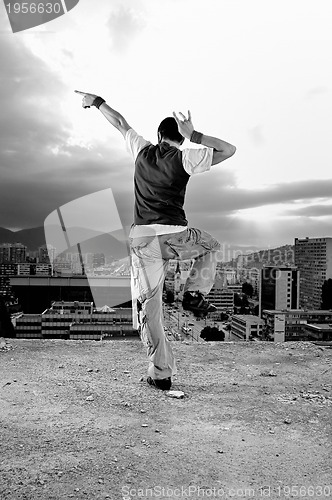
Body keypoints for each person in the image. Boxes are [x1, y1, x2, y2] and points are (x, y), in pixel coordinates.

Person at [75, 90, 236, 390]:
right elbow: (229, 150)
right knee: (210, 246)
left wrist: (96, 102)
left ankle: (161, 373)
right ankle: (193, 294)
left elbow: (120, 123)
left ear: (158, 135)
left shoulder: (141, 150)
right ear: (180, 139)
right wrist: (195, 133)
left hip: (143, 242)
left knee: (151, 309)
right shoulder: (186, 156)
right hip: (175, 237)